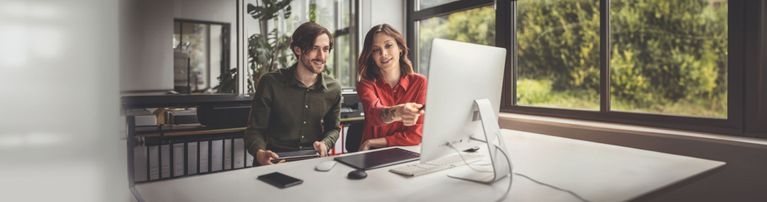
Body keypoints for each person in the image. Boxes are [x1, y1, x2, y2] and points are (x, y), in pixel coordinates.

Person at [244, 22, 342, 166]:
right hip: (274, 162)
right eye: (315, 48)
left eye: (326, 49)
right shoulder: (270, 83)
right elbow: (255, 130)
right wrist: (260, 153)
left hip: (312, 162)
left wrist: (325, 144)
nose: (322, 56)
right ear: (298, 50)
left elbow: (333, 129)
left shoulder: (334, 88)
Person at [356, 24, 427, 151]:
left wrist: (374, 142)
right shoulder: (366, 84)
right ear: (371, 56)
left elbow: (416, 135)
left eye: (388, 46)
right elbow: (374, 115)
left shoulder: (420, 83)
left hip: (407, 152)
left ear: (400, 48)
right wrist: (399, 112)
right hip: (373, 154)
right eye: (376, 50)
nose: (383, 54)